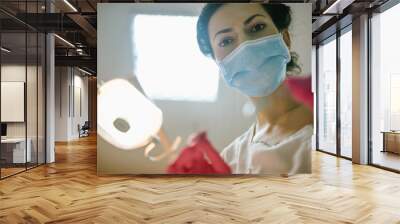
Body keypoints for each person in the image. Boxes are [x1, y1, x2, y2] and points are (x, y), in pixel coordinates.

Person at [196, 3, 313, 175]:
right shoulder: (230, 159)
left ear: (285, 39)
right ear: (220, 66)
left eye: (257, 27)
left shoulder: (327, 132)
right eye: (226, 41)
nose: (246, 46)